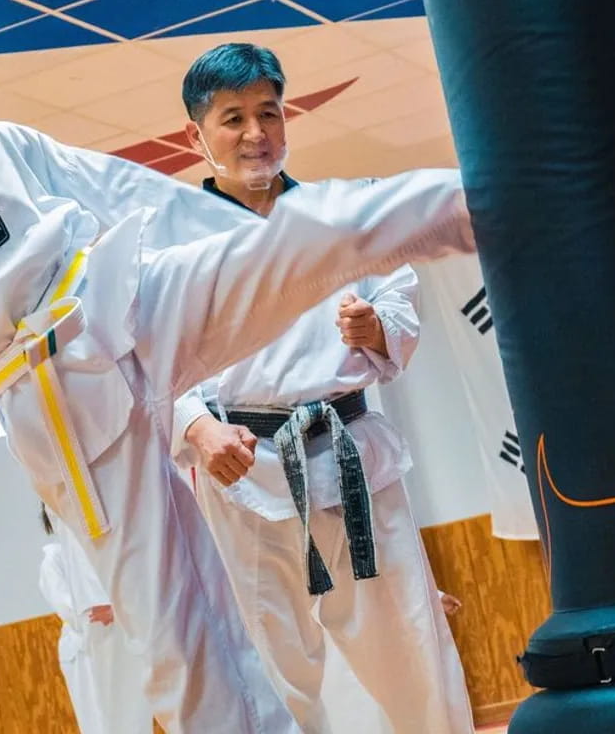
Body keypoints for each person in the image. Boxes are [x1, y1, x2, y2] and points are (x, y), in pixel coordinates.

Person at [0, 7, 475, 731]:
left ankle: (475, 202)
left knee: (296, 240)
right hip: (57, 401)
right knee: (178, 632)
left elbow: (127, 193)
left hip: (124, 301)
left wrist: (247, 242)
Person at [173, 43, 473, 733]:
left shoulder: (345, 222)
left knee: (410, 642)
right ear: (197, 134)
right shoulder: (168, 247)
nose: (256, 134)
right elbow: (141, 363)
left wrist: (376, 330)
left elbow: (399, 301)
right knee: (267, 666)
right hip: (241, 467)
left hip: (353, 456)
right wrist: (197, 426)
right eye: (233, 119)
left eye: (269, 114)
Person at [39, 505, 150, 734]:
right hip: (84, 646)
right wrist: (111, 609)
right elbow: (75, 609)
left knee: (130, 714)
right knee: (99, 721)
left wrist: (121, 609)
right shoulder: (53, 559)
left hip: (119, 629)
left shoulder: (93, 547)